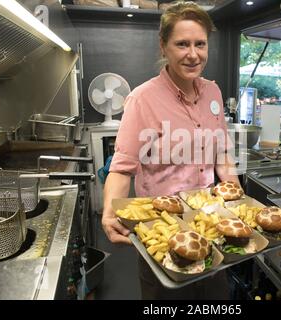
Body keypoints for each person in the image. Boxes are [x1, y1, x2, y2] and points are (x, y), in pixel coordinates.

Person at [102, 1, 239, 299]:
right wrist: (110, 211)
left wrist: (236, 200)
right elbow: (122, 167)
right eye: (182, 44)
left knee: (215, 300)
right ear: (163, 46)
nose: (193, 54)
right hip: (163, 231)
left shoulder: (213, 92)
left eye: (200, 44)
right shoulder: (142, 99)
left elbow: (222, 154)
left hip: (210, 225)